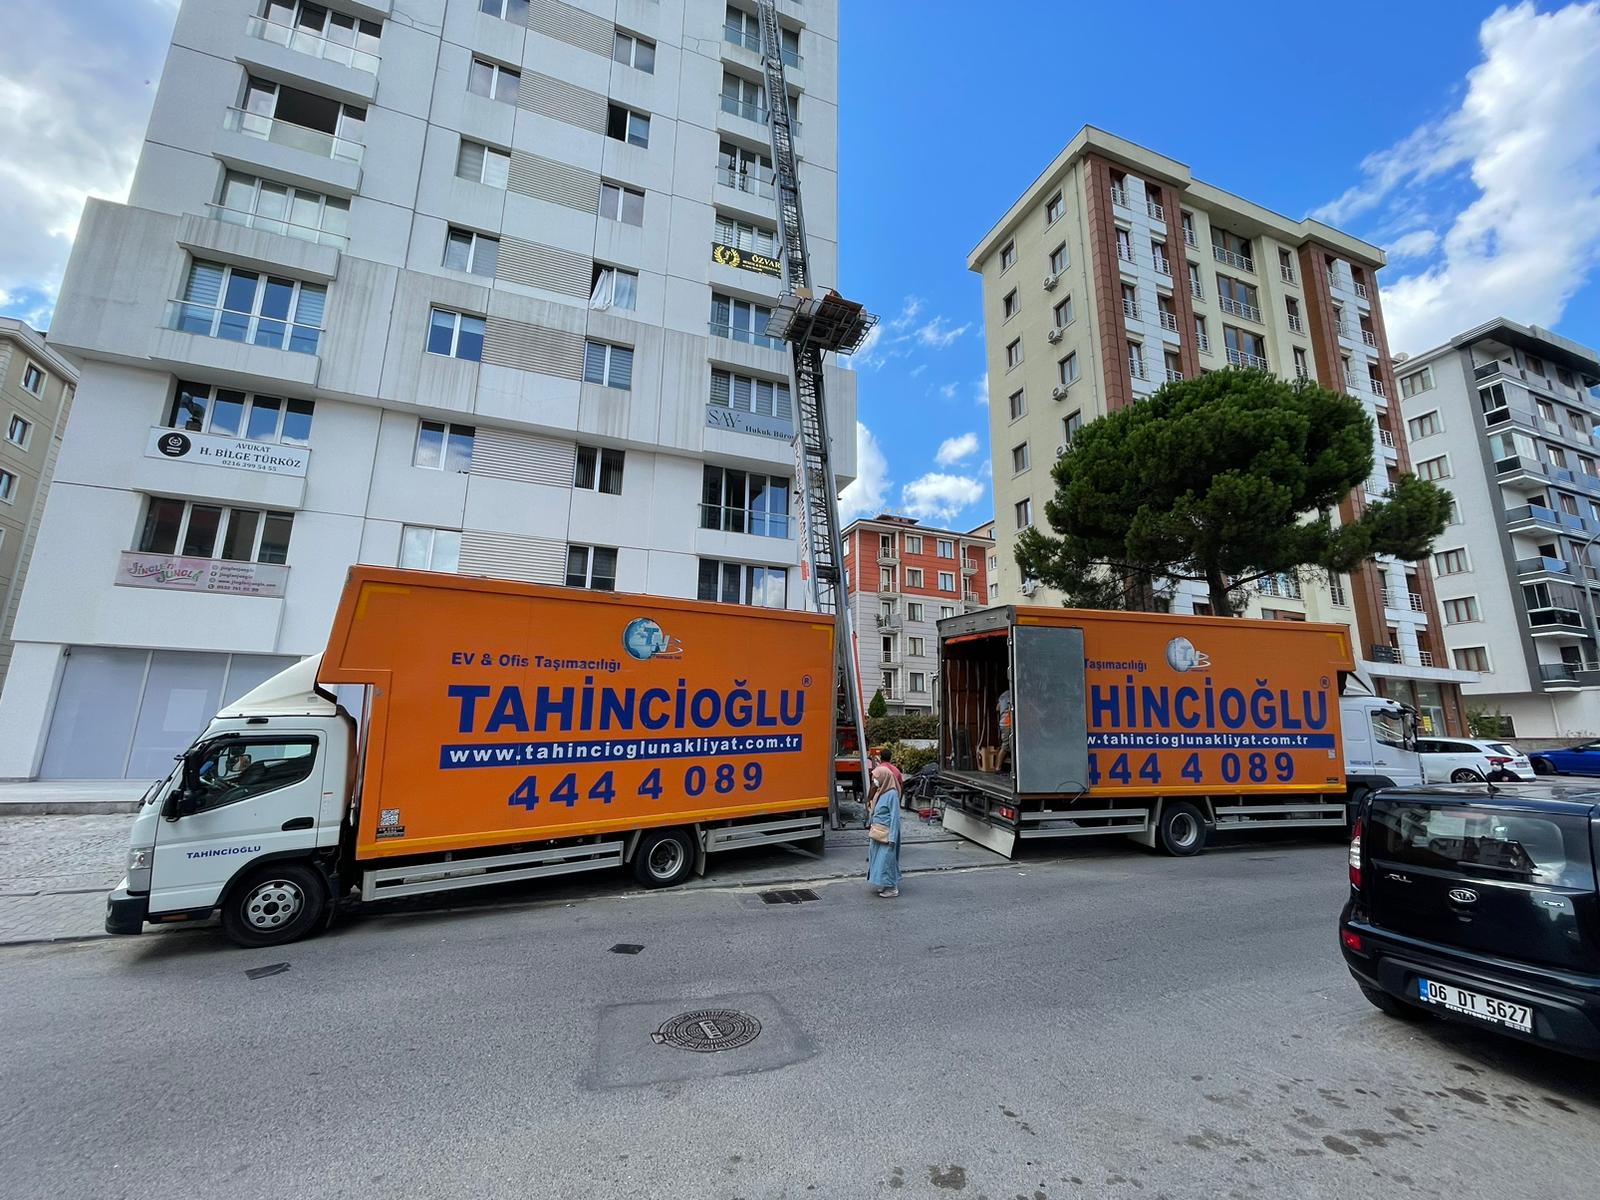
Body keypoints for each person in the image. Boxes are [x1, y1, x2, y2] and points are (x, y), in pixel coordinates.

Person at [866, 746, 903, 898]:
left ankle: (892, 888)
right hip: (878, 831)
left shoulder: (892, 794)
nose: (875, 781)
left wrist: (893, 837)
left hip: (887, 834)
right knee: (879, 860)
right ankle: (884, 883)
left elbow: (895, 817)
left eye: (876, 778)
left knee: (887, 860)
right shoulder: (881, 792)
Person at [996, 683, 1014, 772]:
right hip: (1008, 723)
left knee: (1007, 745)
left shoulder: (1003, 695)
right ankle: (998, 768)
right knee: (1006, 746)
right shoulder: (1012, 694)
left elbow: (997, 708)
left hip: (1003, 723)